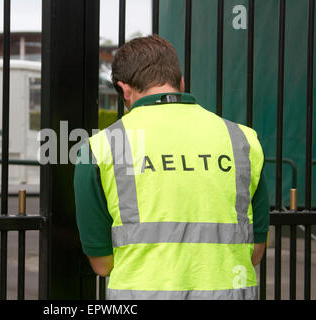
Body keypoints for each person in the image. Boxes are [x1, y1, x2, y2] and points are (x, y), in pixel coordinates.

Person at [74, 35, 269, 300]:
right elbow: (255, 251)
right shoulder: (243, 141)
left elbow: (102, 264)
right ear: (181, 83)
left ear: (125, 90)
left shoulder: (98, 149)